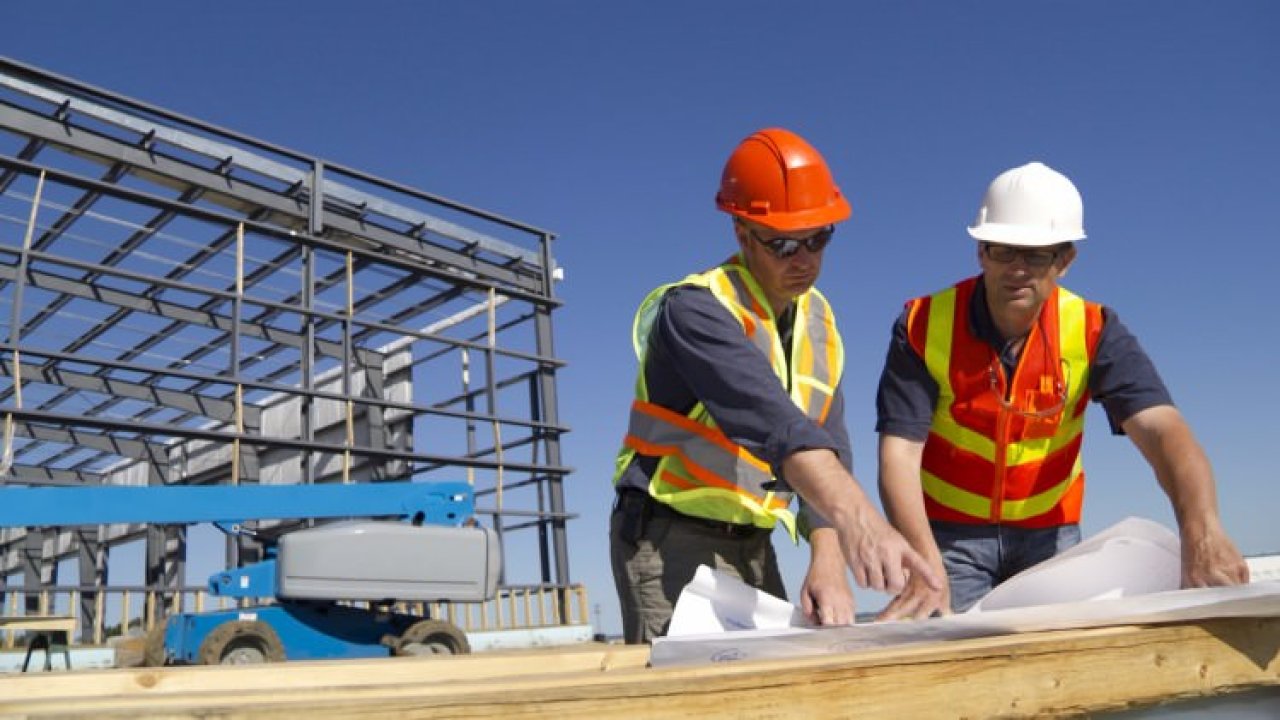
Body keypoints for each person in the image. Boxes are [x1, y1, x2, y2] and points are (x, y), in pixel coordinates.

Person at [875, 161, 1249, 619]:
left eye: (1035, 255)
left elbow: (1163, 431)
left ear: (1064, 261)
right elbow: (899, 455)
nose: (1017, 269)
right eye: (1003, 251)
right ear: (981, 252)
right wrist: (923, 561)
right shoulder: (921, 325)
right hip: (947, 538)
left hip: (1049, 536)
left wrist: (1202, 530)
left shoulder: (1095, 330)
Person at [609, 127, 938, 644]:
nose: (803, 259)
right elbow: (779, 427)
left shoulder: (818, 321)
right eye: (783, 243)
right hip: (667, 536)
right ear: (742, 232)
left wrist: (827, 556)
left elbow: (827, 439)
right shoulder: (695, 310)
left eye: (818, 238)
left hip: (753, 541)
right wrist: (862, 522)